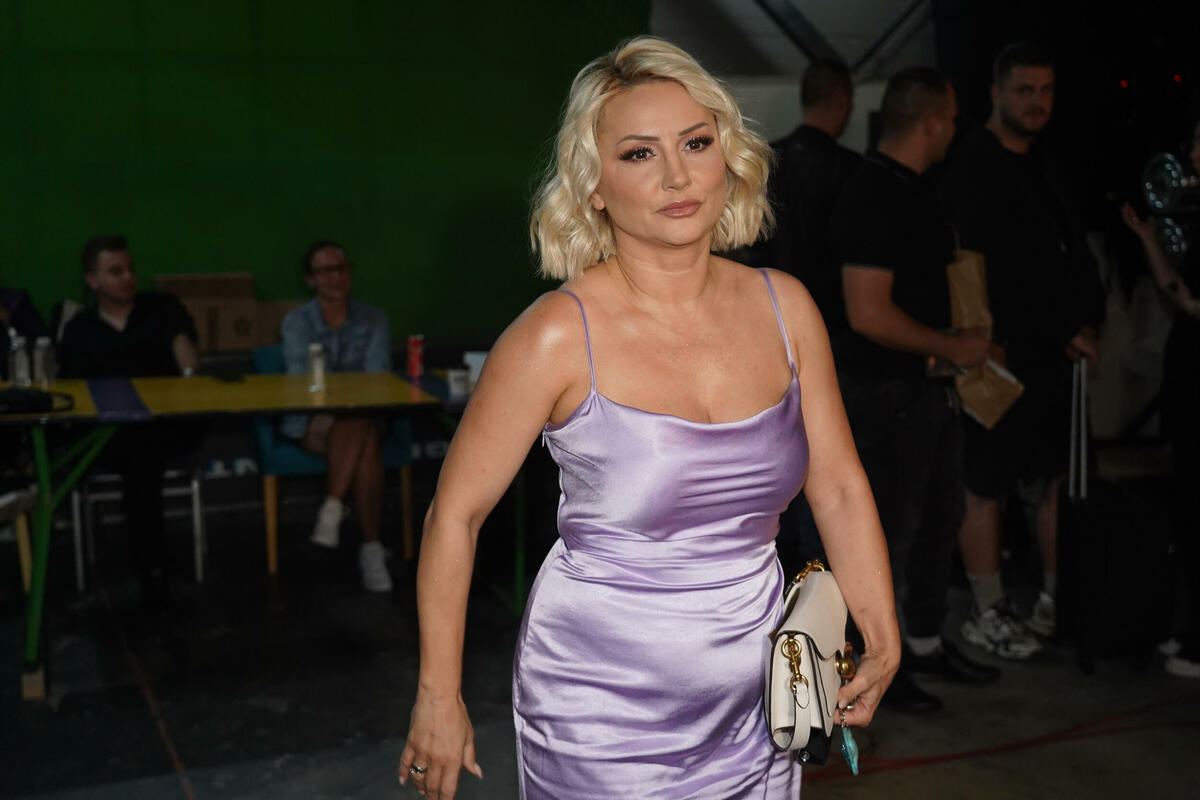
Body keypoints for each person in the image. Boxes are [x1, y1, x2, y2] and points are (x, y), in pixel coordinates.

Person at [399, 37, 899, 800]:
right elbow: (455, 516)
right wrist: (439, 695)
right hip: (601, 705)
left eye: (695, 143)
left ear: (726, 156)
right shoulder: (555, 336)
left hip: (760, 694)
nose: (676, 175)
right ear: (594, 186)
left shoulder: (786, 308)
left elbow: (836, 484)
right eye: (639, 154)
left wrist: (880, 626)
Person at [828, 67, 1002, 715]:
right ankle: (873, 664)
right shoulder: (872, 192)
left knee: (938, 521)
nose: (954, 130)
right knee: (887, 536)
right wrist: (952, 347)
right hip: (880, 398)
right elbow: (867, 313)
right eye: (951, 119)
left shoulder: (917, 190)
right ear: (931, 121)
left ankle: (923, 643)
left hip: (922, 391)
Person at [941, 43, 1105, 658]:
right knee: (984, 483)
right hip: (998, 355)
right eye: (1025, 91)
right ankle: (989, 609)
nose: (1037, 102)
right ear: (997, 93)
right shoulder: (971, 166)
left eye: (1046, 91)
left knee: (1056, 479)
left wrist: (1086, 322)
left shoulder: (1048, 164)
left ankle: (1057, 599)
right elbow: (984, 270)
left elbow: (1072, 255)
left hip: (1055, 357)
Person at [59, 235, 201, 609]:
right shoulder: (79, 330)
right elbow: (77, 392)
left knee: (144, 452)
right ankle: (152, 570)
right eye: (115, 271)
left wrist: (189, 375)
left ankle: (152, 571)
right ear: (92, 280)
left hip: (167, 425)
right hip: (111, 433)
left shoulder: (163, 308)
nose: (127, 278)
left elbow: (187, 360)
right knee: (137, 455)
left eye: (129, 269)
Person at [1120, 118, 1200, 678]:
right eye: (1191, 141)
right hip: (1187, 381)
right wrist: (1149, 239)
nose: (1192, 153)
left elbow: (1189, 299)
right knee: (1186, 511)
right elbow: (1180, 293)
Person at [280, 241, 394, 593]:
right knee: (365, 442)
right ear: (310, 279)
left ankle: (332, 506)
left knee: (357, 420)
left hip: (366, 415)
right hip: (314, 422)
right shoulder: (296, 322)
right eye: (326, 270)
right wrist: (342, 398)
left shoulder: (373, 318)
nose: (336, 277)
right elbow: (303, 381)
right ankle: (372, 550)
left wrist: (345, 398)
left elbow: (377, 380)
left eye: (342, 268)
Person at [767, 57, 861, 327]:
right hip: (831, 314)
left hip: (772, 305)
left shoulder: (765, 160)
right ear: (843, 100)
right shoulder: (851, 168)